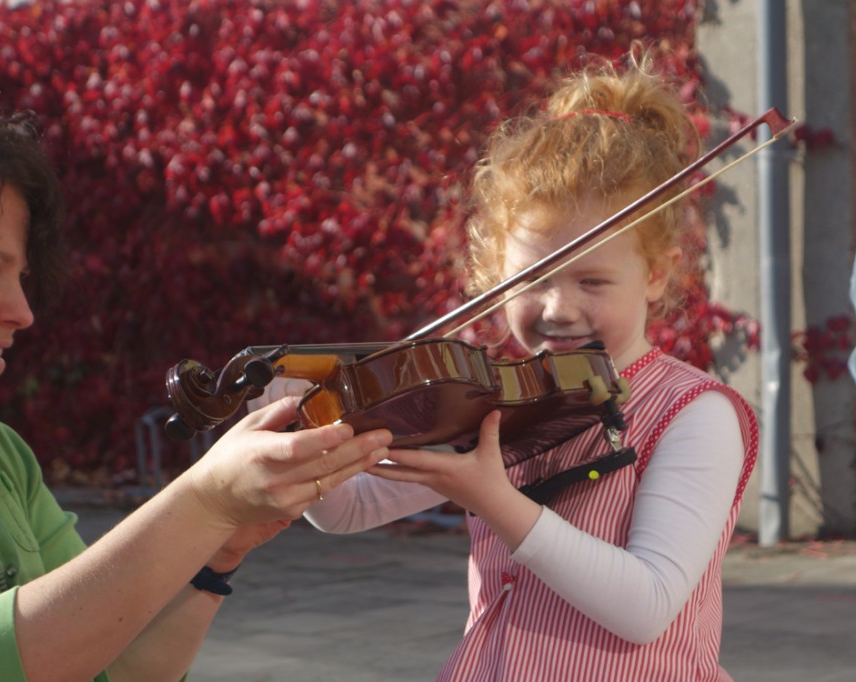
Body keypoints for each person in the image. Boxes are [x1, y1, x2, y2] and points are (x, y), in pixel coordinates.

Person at [0, 78, 393, 682]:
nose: (21, 311)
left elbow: (110, 666)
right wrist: (203, 499)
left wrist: (216, 551)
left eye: (20, 276)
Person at [299, 52, 760, 680]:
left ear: (656, 274)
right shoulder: (490, 403)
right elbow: (346, 511)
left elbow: (646, 606)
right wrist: (294, 417)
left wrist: (496, 500)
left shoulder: (694, 414)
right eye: (532, 279)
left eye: (592, 281)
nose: (558, 308)